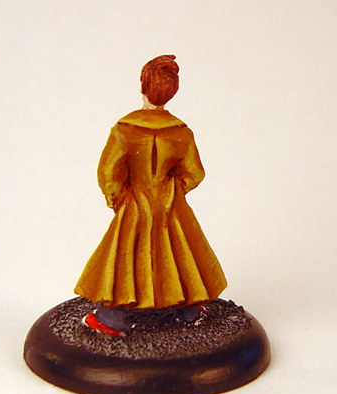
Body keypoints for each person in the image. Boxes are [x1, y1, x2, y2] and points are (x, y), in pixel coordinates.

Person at [75, 55, 227, 316]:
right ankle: (189, 311)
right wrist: (175, 190)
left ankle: (114, 318)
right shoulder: (181, 132)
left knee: (125, 257)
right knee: (179, 251)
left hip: (134, 203)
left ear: (142, 87)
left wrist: (117, 198)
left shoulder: (124, 130)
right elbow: (195, 173)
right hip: (171, 204)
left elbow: (108, 171)